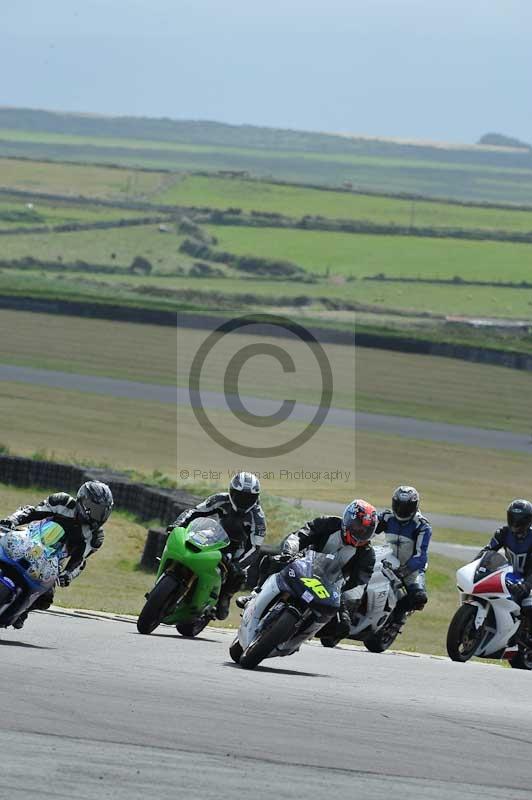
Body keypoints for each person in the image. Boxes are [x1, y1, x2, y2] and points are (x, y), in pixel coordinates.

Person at [238, 499, 378, 642]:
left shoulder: (367, 554)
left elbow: (359, 584)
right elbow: (302, 533)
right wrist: (290, 550)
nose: (361, 533)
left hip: (332, 588)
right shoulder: (329, 523)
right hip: (303, 565)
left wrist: (346, 605)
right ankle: (255, 594)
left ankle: (302, 635)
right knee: (272, 560)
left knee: (343, 626)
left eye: (366, 531)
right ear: (348, 521)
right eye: (358, 527)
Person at [0, 480, 113, 627]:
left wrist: (67, 575)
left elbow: (80, 561)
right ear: (83, 501)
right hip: (28, 539)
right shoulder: (62, 502)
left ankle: (22, 612)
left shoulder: (95, 536)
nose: (99, 517)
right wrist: (11, 521)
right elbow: (31, 512)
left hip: (51, 563)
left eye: (103, 512)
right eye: (96, 510)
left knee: (46, 598)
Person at [168, 471, 266, 620]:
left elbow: (254, 548)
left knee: (239, 574)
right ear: (232, 491)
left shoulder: (258, 517)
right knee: (188, 545)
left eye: (249, 497)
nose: (244, 500)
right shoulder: (220, 499)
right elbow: (195, 512)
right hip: (215, 535)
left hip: (237, 548)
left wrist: (238, 564)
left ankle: (224, 597)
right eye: (240, 495)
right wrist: (177, 524)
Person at [477, 498, 532, 641]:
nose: (515, 522)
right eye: (512, 518)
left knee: (528, 604)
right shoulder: (503, 532)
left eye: (520, 519)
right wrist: (474, 566)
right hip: (512, 575)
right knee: (492, 591)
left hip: (529, 578)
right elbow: (488, 551)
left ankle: (527, 635)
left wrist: (527, 584)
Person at [375, 485, 431, 624]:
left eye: (406, 508)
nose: (401, 511)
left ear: (414, 507)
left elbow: (421, 556)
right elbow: (369, 529)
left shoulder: (422, 526)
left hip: (410, 570)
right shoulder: (387, 517)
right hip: (385, 561)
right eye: (398, 506)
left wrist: (404, 571)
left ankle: (397, 618)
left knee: (420, 598)